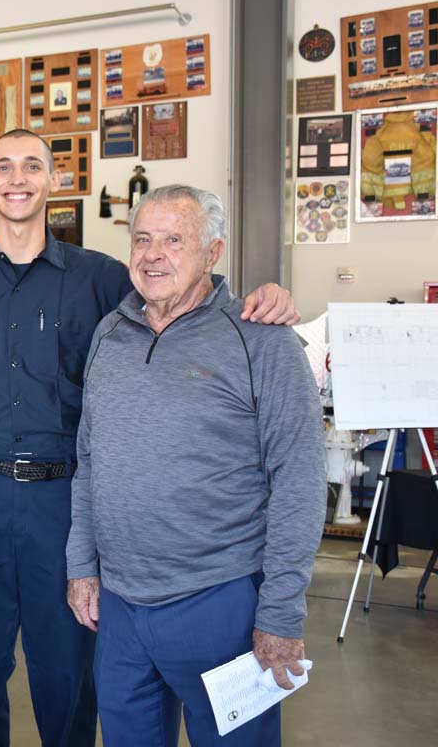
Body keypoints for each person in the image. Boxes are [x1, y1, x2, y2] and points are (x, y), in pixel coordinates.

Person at [0, 128, 301, 746]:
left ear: (54, 181)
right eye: (3, 167)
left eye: (32, 166)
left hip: (65, 503)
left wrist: (266, 295)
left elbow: (180, 302)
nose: (17, 178)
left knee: (66, 676)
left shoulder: (99, 278)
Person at [65, 185, 326, 746]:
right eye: (142, 239)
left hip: (221, 601)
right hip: (120, 607)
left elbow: (299, 480)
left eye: (174, 240)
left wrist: (280, 611)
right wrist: (81, 565)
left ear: (213, 253)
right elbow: (89, 462)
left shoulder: (263, 341)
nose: (152, 254)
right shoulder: (109, 335)